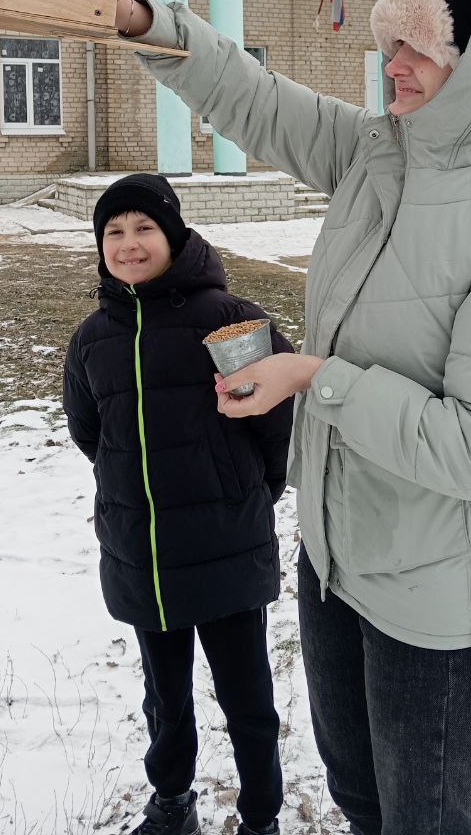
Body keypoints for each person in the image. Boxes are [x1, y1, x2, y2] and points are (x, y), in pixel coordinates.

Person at [115, 0, 471, 835]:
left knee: (425, 821)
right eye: (389, 40)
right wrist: (147, 25)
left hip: (433, 600)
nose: (391, 65)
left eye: (417, 49)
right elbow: (255, 100)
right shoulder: (382, 153)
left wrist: (316, 378)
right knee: (360, 804)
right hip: (334, 563)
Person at [63, 173, 294, 835]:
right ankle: (172, 804)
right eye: (113, 232)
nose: (129, 244)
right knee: (164, 699)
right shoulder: (91, 339)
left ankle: (261, 820)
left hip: (225, 547)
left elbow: (274, 424)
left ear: (173, 236)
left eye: (144, 229)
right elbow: (90, 433)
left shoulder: (230, 319)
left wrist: (243, 495)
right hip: (143, 555)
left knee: (247, 700)